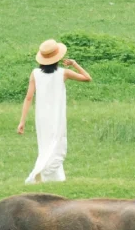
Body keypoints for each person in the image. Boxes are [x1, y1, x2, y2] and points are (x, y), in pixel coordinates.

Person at [17, 39, 92, 183]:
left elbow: (28, 98)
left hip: (41, 116)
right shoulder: (64, 73)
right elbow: (87, 78)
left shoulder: (35, 73)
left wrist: (22, 121)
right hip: (56, 115)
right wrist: (75, 64)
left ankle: (56, 177)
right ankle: (39, 174)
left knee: (45, 145)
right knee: (57, 145)